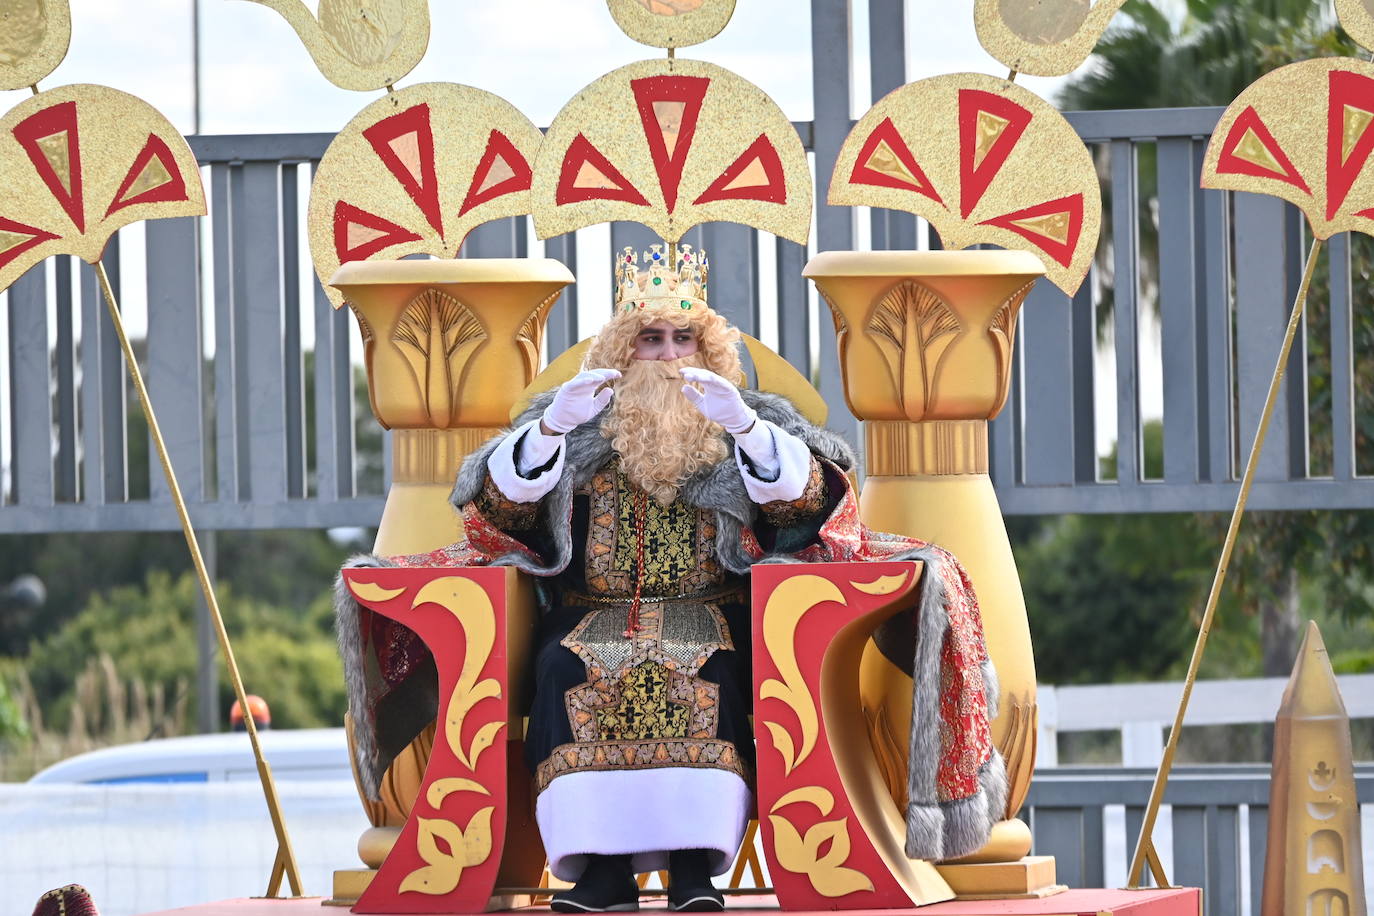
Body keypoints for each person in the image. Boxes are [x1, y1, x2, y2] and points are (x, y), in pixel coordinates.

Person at [336, 247, 1005, 913]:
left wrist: (743, 427)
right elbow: (498, 513)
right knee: (561, 670)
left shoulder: (752, 422)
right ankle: (598, 873)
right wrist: (548, 429)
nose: (667, 355)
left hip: (712, 611)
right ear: (622, 353)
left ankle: (694, 871)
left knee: (710, 670)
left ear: (708, 350)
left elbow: (810, 504)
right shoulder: (576, 425)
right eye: (650, 340)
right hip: (585, 613)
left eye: (683, 338)